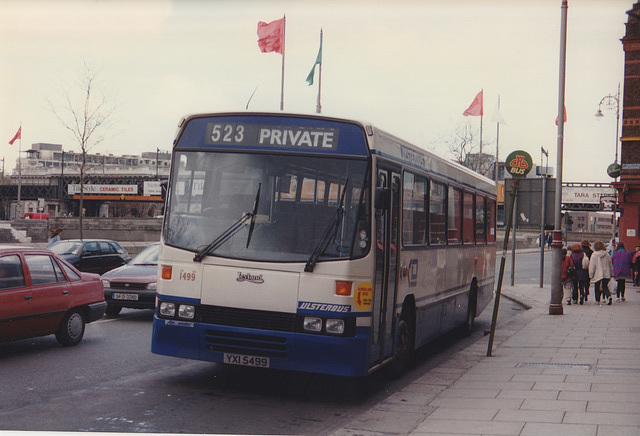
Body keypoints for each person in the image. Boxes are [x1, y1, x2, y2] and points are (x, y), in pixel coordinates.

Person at [589, 240, 614, 305]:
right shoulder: (607, 254)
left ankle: (597, 300)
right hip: (606, 273)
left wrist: (591, 274)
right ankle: (608, 296)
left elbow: (592, 266)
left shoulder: (594, 255)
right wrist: (611, 273)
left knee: (597, 287)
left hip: (598, 273)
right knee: (605, 286)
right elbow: (610, 264)